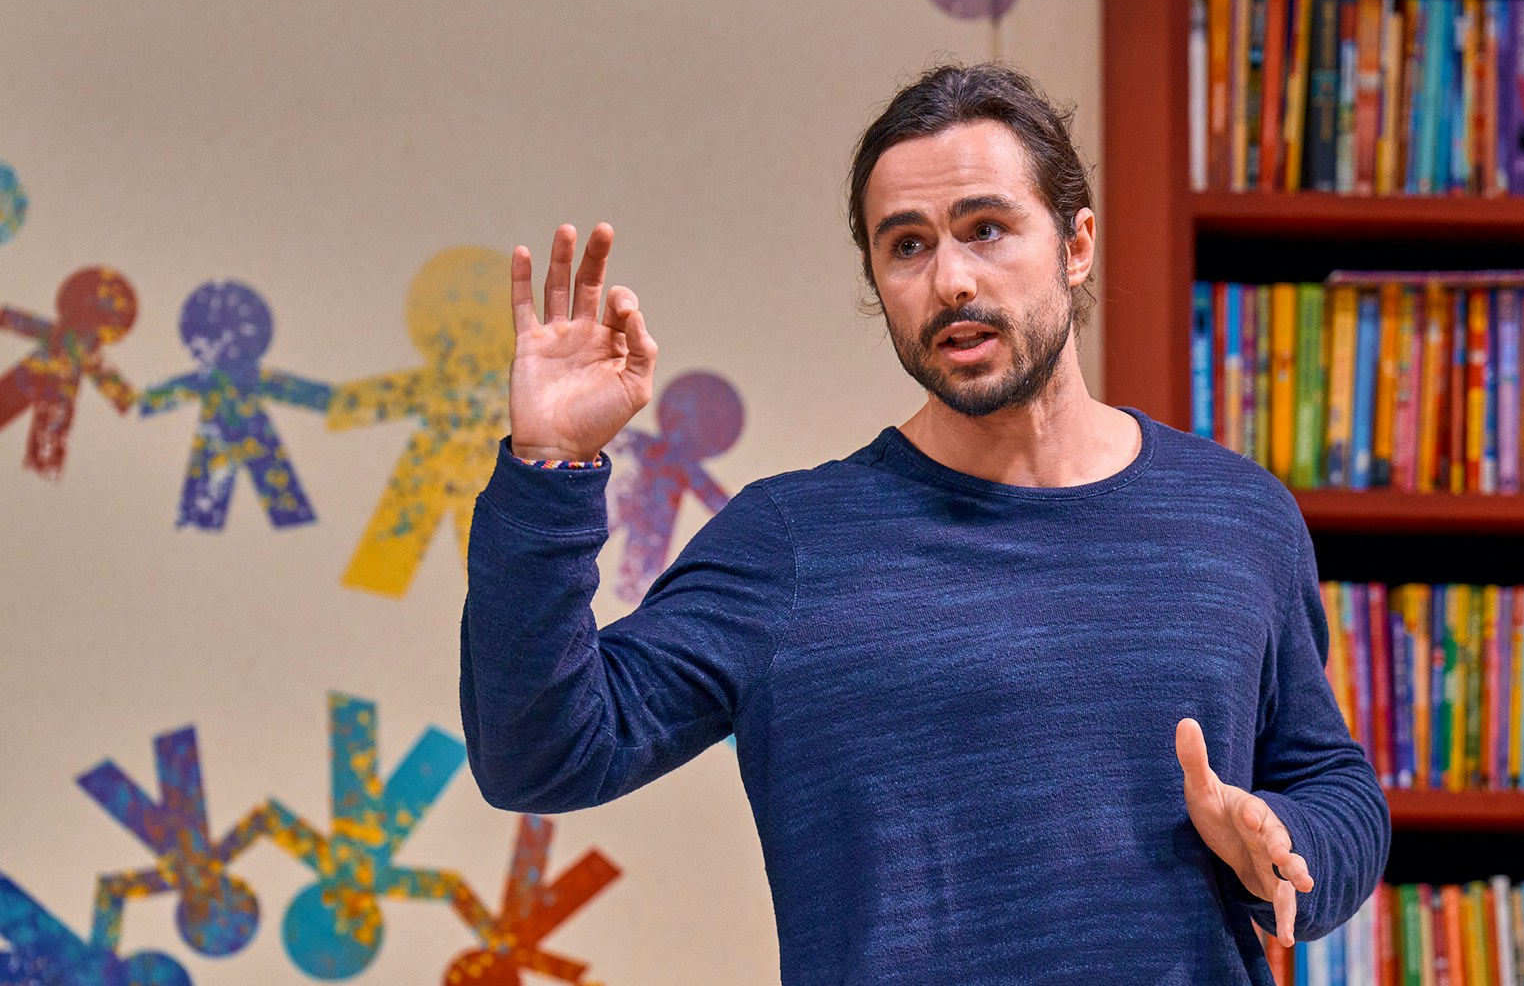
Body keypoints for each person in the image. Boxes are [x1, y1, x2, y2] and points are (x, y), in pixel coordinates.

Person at [460, 62, 1389, 984]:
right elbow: (542, 756)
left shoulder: (1235, 513)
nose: (950, 279)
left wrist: (1287, 838)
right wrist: (549, 465)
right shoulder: (791, 540)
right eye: (906, 246)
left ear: (1077, 244)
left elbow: (1336, 788)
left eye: (987, 229)